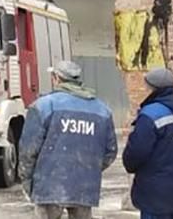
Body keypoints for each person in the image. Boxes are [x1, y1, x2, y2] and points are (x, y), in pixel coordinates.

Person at [20, 60, 118, 219]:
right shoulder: (102, 109)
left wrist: (28, 181)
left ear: (56, 78)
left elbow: (28, 150)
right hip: (84, 185)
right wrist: (89, 169)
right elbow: (110, 151)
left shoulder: (43, 106)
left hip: (48, 185)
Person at [123, 68, 173, 219]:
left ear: (152, 87)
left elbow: (137, 151)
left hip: (154, 191)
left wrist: (129, 164)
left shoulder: (151, 113)